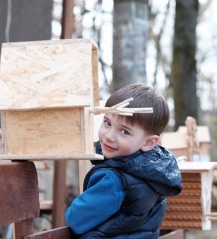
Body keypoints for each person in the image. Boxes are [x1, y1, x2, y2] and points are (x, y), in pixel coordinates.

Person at [65, 83, 182, 239]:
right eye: (107, 123)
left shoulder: (113, 179)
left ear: (149, 143)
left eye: (124, 131)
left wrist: (72, 202)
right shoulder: (156, 171)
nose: (109, 136)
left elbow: (75, 219)